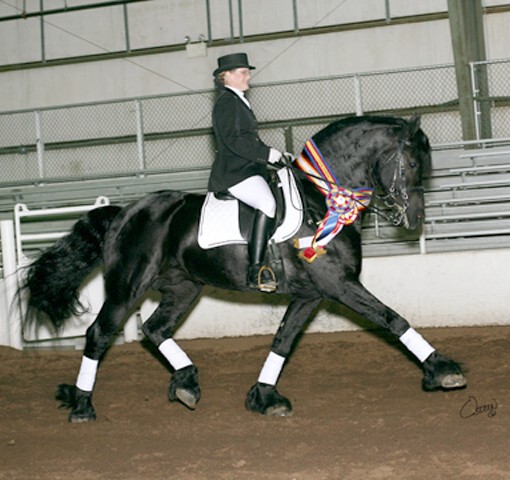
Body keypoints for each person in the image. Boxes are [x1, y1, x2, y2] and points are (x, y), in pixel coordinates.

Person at [208, 52, 283, 292]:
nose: (248, 76)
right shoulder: (227, 102)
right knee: (267, 203)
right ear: (226, 76)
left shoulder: (238, 100)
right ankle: (256, 269)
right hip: (234, 173)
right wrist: (266, 154)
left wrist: (277, 155)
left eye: (247, 72)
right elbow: (234, 141)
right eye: (242, 72)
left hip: (249, 169)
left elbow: (249, 139)